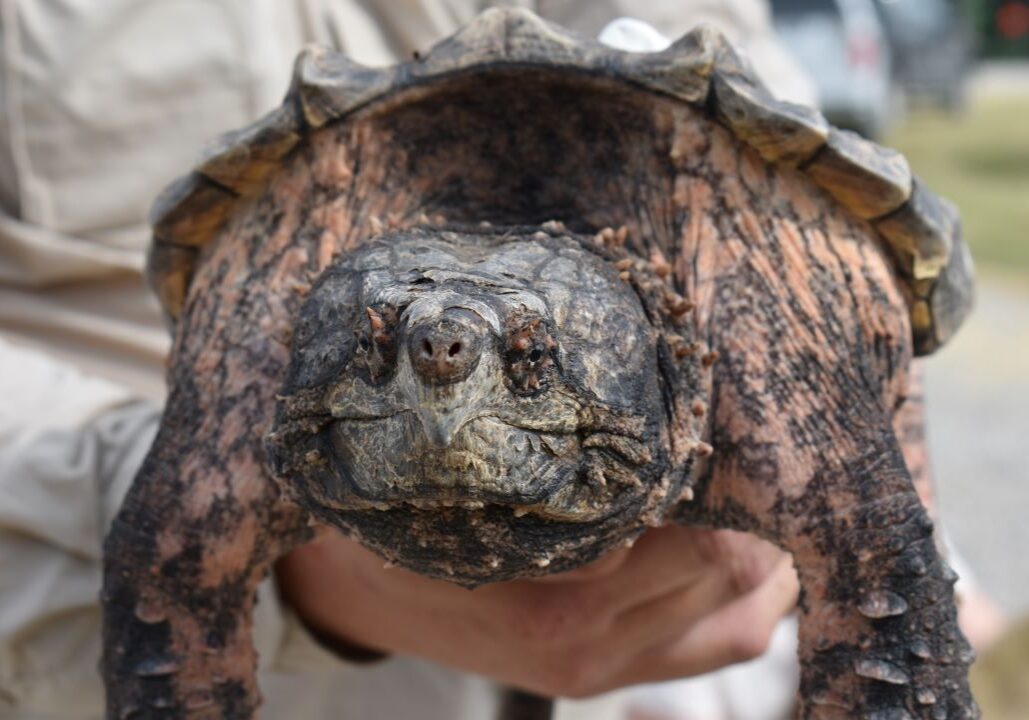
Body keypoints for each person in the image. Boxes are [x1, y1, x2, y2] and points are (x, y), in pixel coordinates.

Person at [2, 3, 991, 720]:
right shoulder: (279, 254)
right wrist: (291, 589)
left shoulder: (737, 249)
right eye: (382, 345)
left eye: (525, 359)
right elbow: (162, 561)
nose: (441, 363)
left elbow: (889, 532)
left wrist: (926, 571)